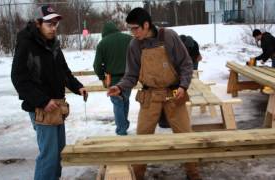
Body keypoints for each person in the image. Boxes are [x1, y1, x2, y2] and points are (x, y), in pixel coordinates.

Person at [107, 7, 201, 180]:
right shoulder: (134, 45)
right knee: (141, 140)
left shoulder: (169, 36)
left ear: (146, 24)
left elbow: (186, 64)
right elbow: (131, 75)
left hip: (174, 94)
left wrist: (183, 86)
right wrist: (120, 87)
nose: (133, 33)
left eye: (135, 28)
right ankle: (137, 175)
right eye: (130, 29)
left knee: (186, 137)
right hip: (150, 97)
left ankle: (193, 174)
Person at [11, 5, 87, 180]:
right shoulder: (26, 44)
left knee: (58, 152)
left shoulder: (53, 45)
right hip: (41, 108)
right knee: (49, 155)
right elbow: (18, 78)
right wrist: (43, 101)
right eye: (49, 24)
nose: (53, 28)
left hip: (57, 106)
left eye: (55, 24)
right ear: (38, 23)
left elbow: (64, 71)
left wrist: (77, 87)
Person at [93, 22, 132, 135]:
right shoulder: (129, 39)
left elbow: (96, 65)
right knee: (125, 100)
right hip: (129, 78)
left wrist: (102, 77)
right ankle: (124, 125)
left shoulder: (102, 44)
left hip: (113, 79)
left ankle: (121, 129)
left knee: (117, 103)